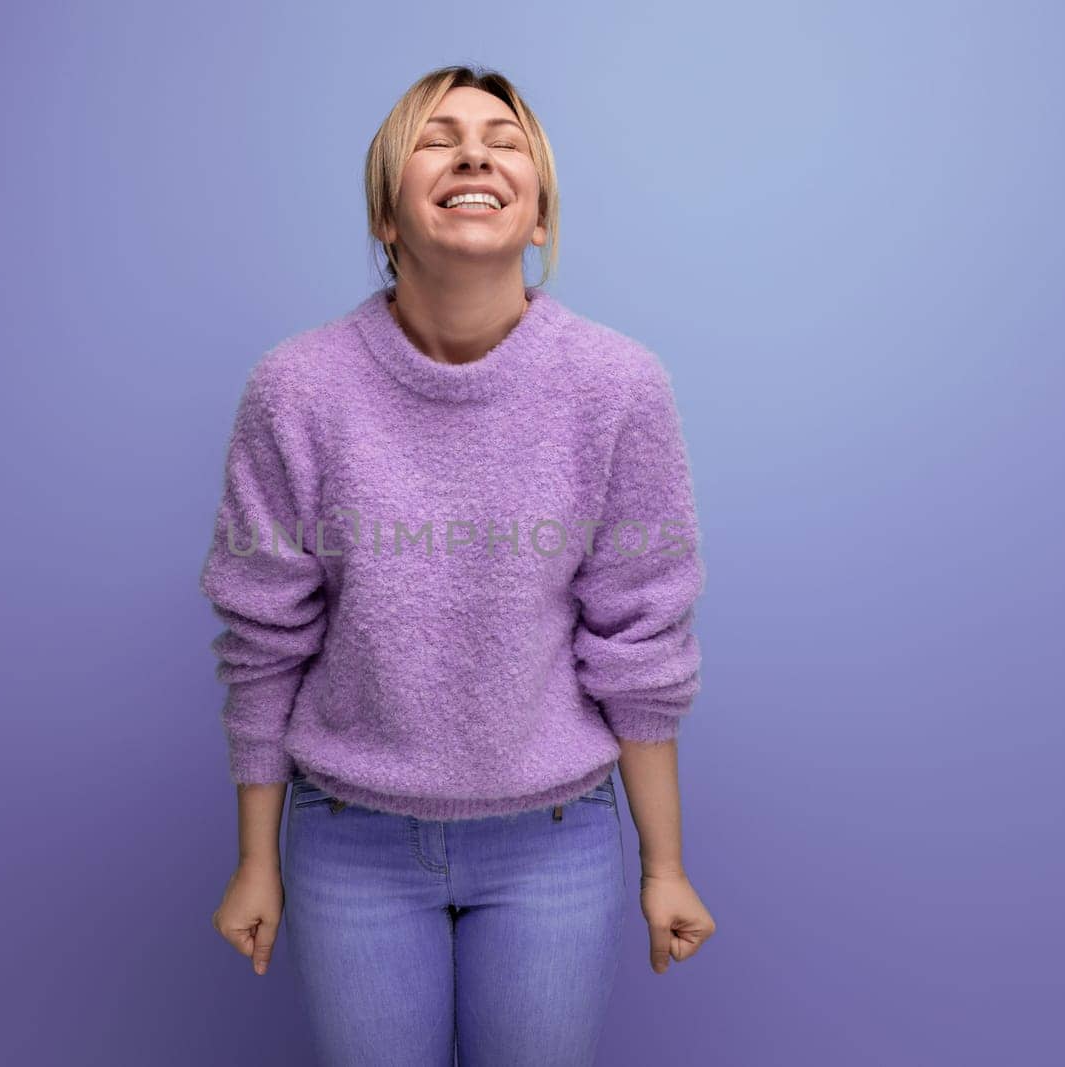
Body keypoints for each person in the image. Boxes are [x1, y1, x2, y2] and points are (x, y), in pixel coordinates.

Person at [203, 64, 717, 1066]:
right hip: (348, 836)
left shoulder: (616, 386)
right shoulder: (296, 389)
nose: (476, 150)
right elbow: (263, 634)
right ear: (386, 215)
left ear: (537, 219)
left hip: (554, 839)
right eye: (437, 138)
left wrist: (665, 866)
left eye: (505, 137)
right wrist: (254, 859)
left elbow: (642, 635)